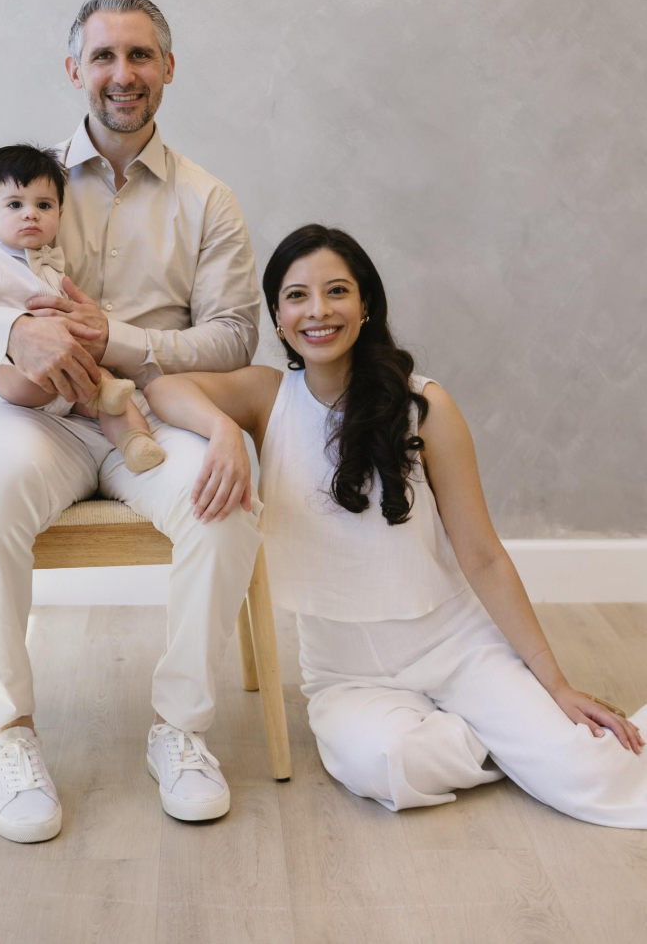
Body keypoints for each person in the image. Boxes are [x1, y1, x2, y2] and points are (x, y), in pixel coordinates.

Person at [144, 223, 647, 827]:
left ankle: (528, 735)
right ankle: (504, 741)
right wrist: (224, 429)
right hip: (346, 676)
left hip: (458, 648)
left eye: (337, 291)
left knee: (593, 772)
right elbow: (164, 388)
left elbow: (483, 555)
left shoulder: (423, 405)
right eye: (297, 296)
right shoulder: (266, 396)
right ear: (277, 317)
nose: (318, 310)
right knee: (388, 764)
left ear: (365, 306)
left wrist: (556, 685)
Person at [0, 0, 263, 843]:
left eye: (140, 56)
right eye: (103, 56)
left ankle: (179, 730)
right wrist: (15, 334)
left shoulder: (208, 199)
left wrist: (121, 339)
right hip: (37, 418)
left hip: (147, 410)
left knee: (224, 499)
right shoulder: (15, 179)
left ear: (167, 68)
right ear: (75, 70)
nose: (122, 74)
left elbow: (234, 336)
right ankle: (11, 731)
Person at [0, 142, 166, 473]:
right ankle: (98, 396)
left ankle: (136, 443)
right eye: (15, 204)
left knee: (109, 389)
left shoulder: (48, 262)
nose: (30, 213)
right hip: (14, 375)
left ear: (59, 215)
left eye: (43, 205)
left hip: (61, 379)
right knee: (80, 381)